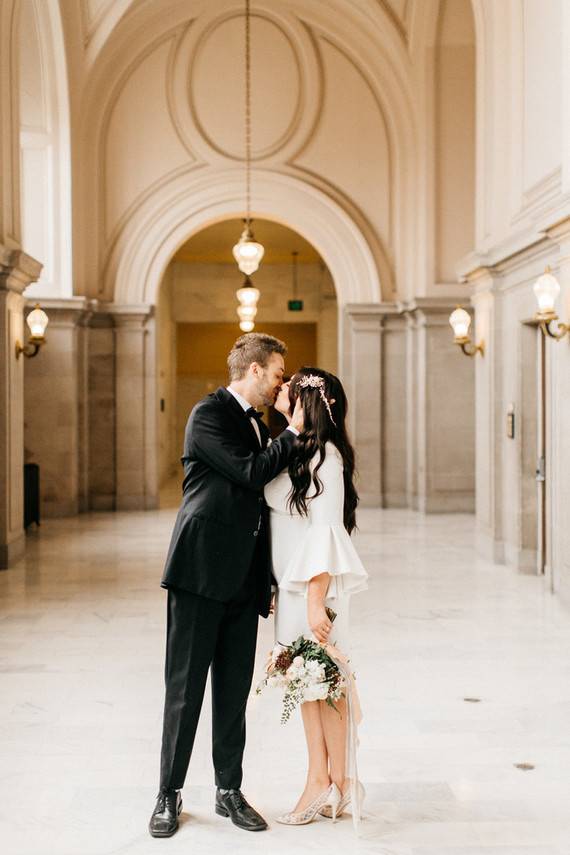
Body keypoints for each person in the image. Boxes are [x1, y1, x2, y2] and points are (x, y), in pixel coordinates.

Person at [149, 333, 303, 838]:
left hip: (243, 577)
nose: (282, 381)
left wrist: (270, 576)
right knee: (185, 688)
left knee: (234, 691)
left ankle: (228, 790)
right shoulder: (207, 414)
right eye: (278, 373)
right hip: (199, 571)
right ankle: (168, 794)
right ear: (255, 370)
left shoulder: (261, 426)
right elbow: (250, 473)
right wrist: (294, 429)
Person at [264, 366, 368, 826]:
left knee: (324, 687)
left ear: (312, 402)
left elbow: (325, 533)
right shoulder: (294, 447)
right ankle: (323, 780)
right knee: (308, 687)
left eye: (292, 386)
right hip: (290, 589)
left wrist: (313, 601)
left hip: (312, 592)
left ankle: (337, 783)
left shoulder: (326, 454)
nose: (281, 389)